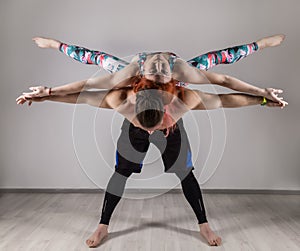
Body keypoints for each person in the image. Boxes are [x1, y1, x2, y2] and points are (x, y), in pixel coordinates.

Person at [16, 77, 287, 247]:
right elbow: (80, 96)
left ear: (168, 110)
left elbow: (226, 99)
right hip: (134, 129)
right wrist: (43, 95)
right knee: (121, 172)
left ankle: (204, 225)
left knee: (186, 174)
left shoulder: (183, 101)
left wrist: (263, 99)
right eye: (145, 126)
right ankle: (102, 226)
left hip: (173, 132)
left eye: (155, 126)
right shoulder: (120, 101)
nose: (150, 132)